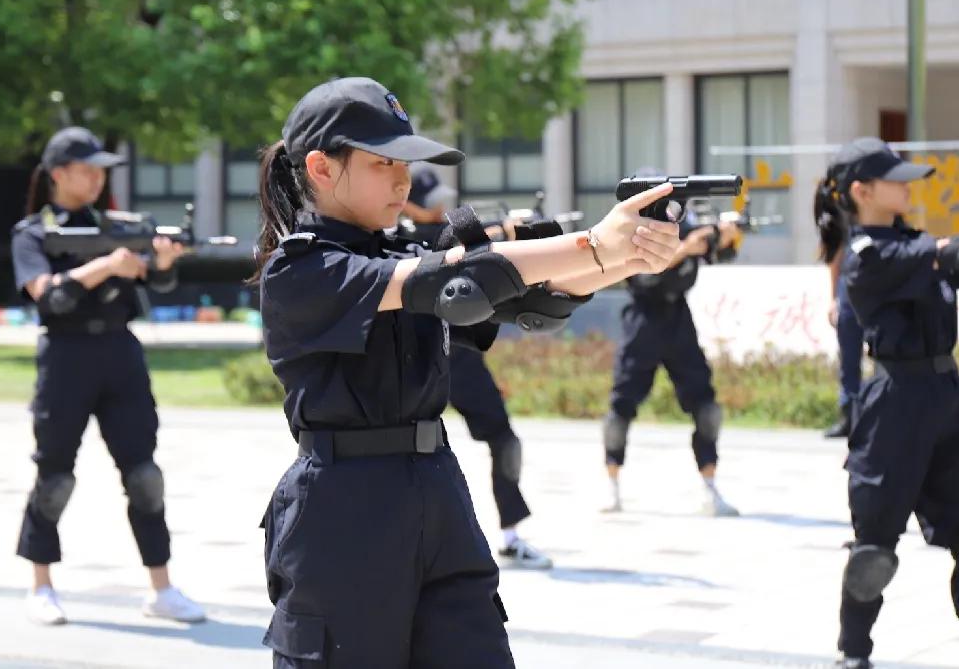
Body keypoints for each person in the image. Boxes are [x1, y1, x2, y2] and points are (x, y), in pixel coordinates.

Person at [255, 77, 680, 668]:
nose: (403, 179)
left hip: (437, 494)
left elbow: (532, 296)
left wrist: (627, 253)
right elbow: (453, 280)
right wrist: (593, 244)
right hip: (343, 509)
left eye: (406, 162)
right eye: (383, 163)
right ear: (322, 168)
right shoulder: (302, 269)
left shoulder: (398, 251)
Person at [11, 127, 205, 626]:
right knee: (54, 476)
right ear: (58, 174)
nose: (97, 178)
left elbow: (157, 280)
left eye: (102, 169)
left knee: (145, 476)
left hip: (120, 353)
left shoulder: (122, 226)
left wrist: (160, 262)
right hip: (65, 359)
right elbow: (49, 297)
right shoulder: (33, 233)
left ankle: (161, 589)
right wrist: (104, 267)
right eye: (87, 168)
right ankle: (41, 584)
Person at [815, 138, 959, 669]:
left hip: (946, 397)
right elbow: (944, 256)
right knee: (874, 548)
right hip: (895, 408)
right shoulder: (866, 256)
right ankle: (854, 655)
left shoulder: (913, 244)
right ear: (863, 191)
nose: (907, 185)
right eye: (896, 178)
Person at [403, 165, 552, 570]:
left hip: (460, 355)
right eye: (430, 204)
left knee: (505, 440)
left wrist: (505, 233)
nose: (440, 210)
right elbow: (442, 254)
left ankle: (511, 534)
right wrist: (498, 232)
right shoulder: (400, 242)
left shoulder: (440, 235)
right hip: (413, 361)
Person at [602, 196, 740, 517]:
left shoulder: (687, 228)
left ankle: (710, 487)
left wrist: (728, 238)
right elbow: (642, 275)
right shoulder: (636, 231)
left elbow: (719, 254)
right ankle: (612, 484)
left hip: (679, 320)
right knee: (622, 404)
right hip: (643, 320)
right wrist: (685, 249)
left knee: (706, 405)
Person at [815, 160, 865, 439]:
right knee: (848, 357)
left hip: (875, 286)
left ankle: (877, 416)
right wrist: (833, 298)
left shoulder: (872, 206)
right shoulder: (838, 212)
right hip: (848, 290)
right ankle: (850, 417)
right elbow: (835, 258)